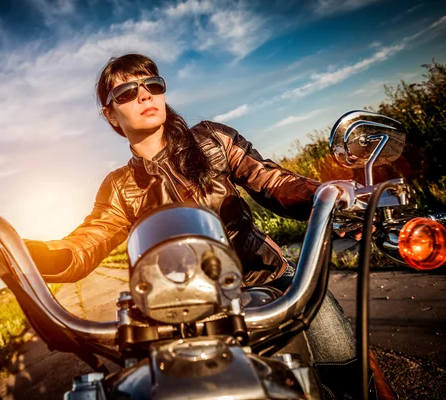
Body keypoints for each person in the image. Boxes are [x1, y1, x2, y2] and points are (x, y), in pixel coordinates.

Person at [25, 54, 393, 399]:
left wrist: (328, 193)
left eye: (152, 85)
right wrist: (19, 252)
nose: (144, 95)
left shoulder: (213, 139)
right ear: (110, 114)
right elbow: (82, 246)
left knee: (348, 366)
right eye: (127, 92)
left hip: (267, 282)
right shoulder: (119, 186)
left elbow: (272, 181)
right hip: (178, 313)